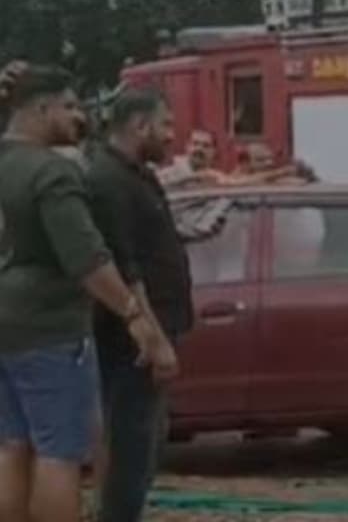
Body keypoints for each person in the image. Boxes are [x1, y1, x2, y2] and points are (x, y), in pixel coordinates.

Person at [0, 66, 173, 522]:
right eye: (70, 106)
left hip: (4, 324)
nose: (78, 117)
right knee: (61, 452)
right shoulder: (52, 173)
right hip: (49, 330)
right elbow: (87, 259)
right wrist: (134, 315)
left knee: (12, 446)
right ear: (41, 109)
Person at [85, 89, 202, 522]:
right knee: (130, 447)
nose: (172, 136)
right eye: (166, 125)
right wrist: (152, 339)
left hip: (158, 328)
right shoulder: (107, 182)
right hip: (129, 343)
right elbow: (126, 269)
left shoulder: (139, 175)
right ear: (139, 126)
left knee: (148, 442)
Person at [156, 129, 222, 189]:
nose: (199, 149)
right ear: (187, 146)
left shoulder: (215, 178)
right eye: (195, 144)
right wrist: (194, 177)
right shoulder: (169, 173)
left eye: (206, 146)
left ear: (214, 151)